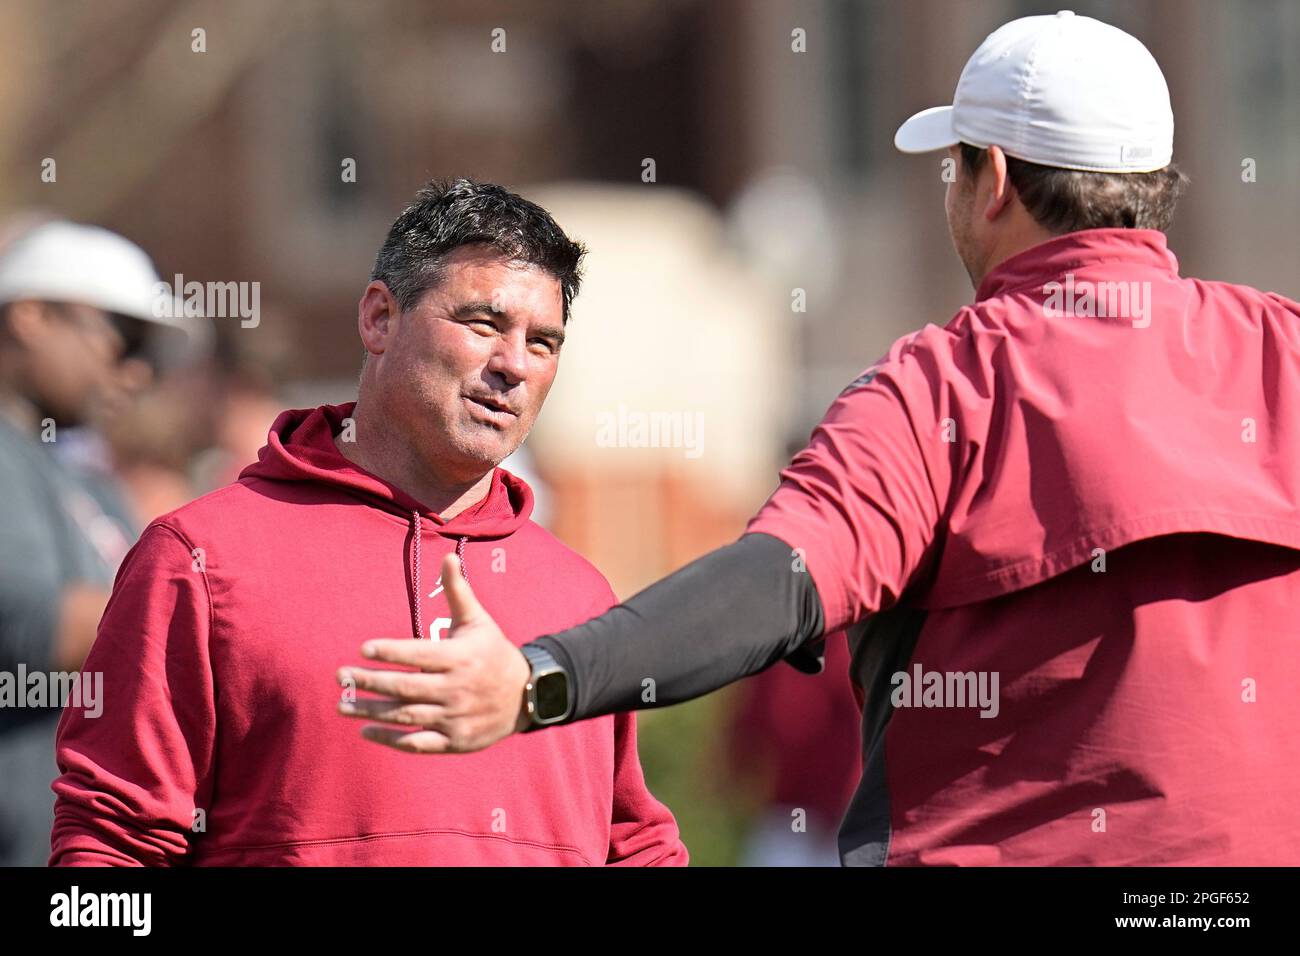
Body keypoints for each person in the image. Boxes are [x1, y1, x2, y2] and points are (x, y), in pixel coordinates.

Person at [336, 13, 1300, 866]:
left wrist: (541, 680)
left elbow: (777, 584)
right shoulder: (1283, 352)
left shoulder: (946, 385)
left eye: (951, 168)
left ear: (992, 181)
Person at [50, 179, 686, 866]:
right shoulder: (201, 559)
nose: (513, 366)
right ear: (379, 317)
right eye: (483, 324)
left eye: (543, 342)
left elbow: (636, 844)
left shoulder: (580, 595)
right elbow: (110, 848)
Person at [0, 221, 187, 867]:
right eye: (123, 338)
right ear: (29, 316)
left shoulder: (83, 479)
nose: (135, 373)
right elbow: (33, 624)